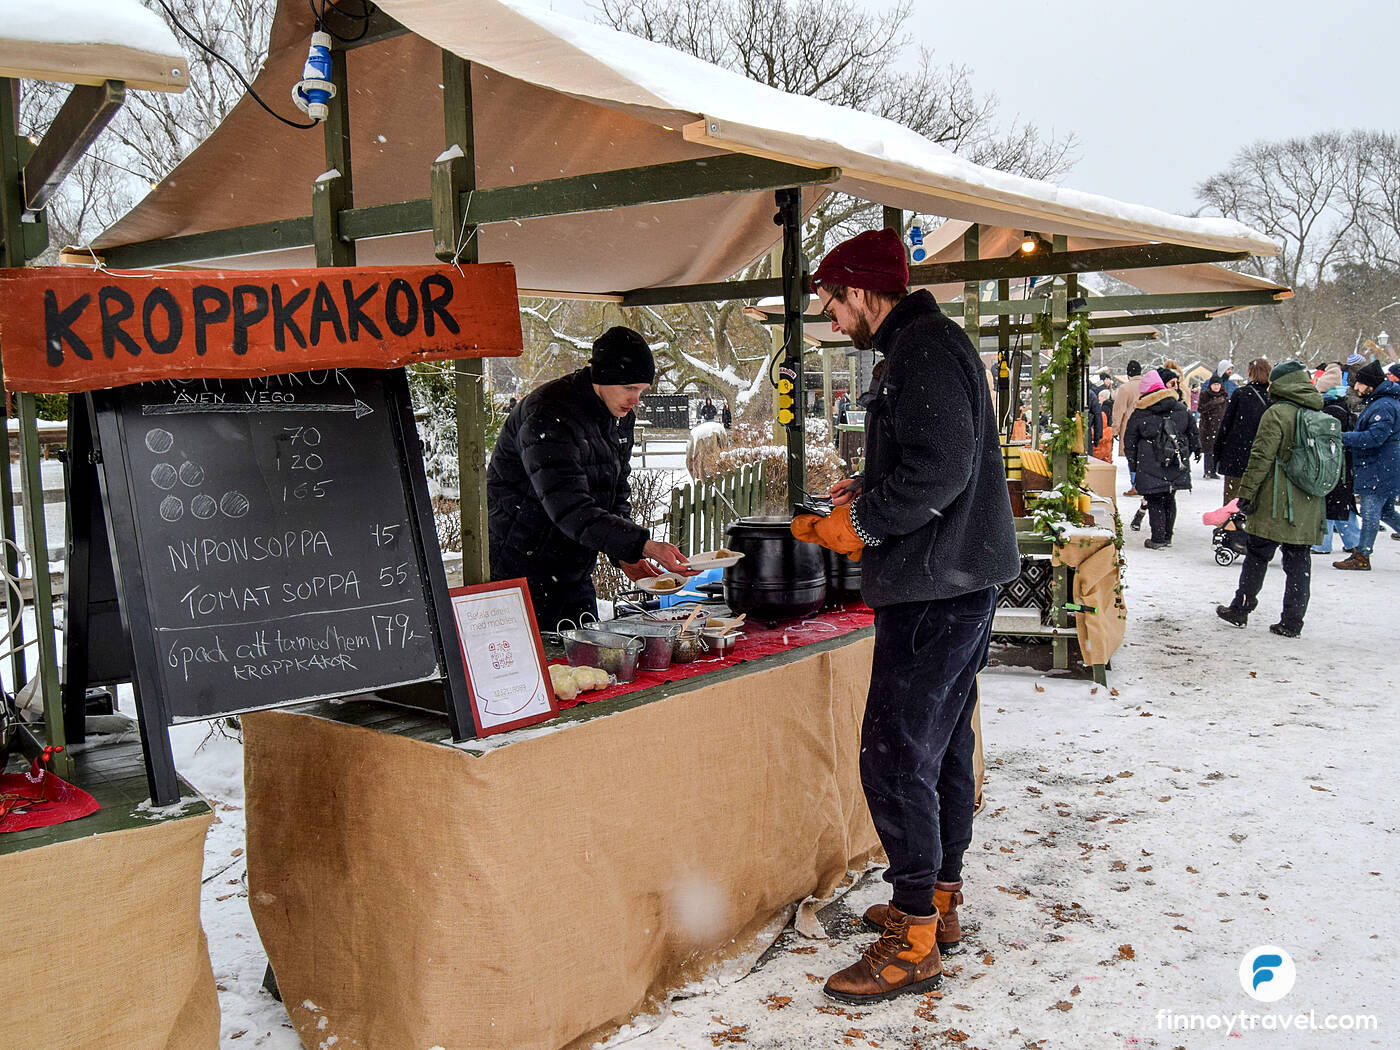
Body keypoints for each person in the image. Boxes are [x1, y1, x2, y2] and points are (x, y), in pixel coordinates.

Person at [789, 228, 1018, 1005]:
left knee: (894, 755)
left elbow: (942, 469)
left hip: (935, 587)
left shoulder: (919, 348)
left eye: (831, 300)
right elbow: (933, 459)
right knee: (944, 746)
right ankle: (938, 899)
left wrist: (863, 524)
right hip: (953, 577)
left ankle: (915, 936)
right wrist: (870, 489)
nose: (830, 317)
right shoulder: (928, 343)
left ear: (860, 290)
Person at [486, 326, 691, 629]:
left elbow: (615, 489)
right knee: (540, 669)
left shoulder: (618, 416)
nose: (635, 400)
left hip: (573, 567)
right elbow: (571, 508)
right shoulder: (548, 414)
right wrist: (643, 545)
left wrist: (623, 552)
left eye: (641, 391)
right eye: (629, 388)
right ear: (603, 378)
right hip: (521, 568)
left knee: (586, 665)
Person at [1216, 362, 1325, 636]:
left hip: (1276, 500)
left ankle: (1240, 608)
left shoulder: (1277, 413)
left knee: (1258, 553)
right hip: (1309, 500)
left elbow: (1260, 458)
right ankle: (1292, 621)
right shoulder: (1316, 411)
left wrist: (1246, 494)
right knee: (1299, 560)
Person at [1333, 360, 1400, 570]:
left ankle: (1362, 556)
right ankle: (1361, 555)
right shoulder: (1384, 402)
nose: (1356, 387)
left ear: (1370, 384)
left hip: (1379, 467)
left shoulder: (1384, 405)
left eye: (1360, 383)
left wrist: (1343, 437)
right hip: (1386, 465)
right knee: (1387, 511)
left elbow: (1375, 437)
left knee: (1371, 513)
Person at [1122, 368, 1199, 548]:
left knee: (1155, 498)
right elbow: (1193, 433)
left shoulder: (1141, 411)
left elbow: (1130, 440)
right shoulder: (1180, 407)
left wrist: (1134, 465)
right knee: (1169, 497)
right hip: (1174, 460)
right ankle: (1167, 536)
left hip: (1150, 461)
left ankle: (1157, 538)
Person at [1312, 365, 1360, 556]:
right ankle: (1353, 541)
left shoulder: (1330, 410)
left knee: (1326, 502)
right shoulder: (1343, 406)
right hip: (1343, 464)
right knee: (1342, 503)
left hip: (1332, 463)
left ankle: (1322, 543)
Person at [1213, 357, 1272, 502]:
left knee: (1233, 501)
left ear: (1250, 372)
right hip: (1264, 457)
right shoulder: (1275, 397)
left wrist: (1218, 453)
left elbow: (1226, 425)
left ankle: (1231, 523)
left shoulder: (1241, 394)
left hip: (1237, 455)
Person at [1112, 360, 1143, 493]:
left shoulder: (1125, 388)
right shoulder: (1147, 386)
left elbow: (1119, 410)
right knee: (1144, 455)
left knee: (1132, 456)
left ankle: (1135, 485)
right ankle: (1144, 484)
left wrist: (1115, 429)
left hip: (1130, 426)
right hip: (1147, 425)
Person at [1197, 375, 1230, 479]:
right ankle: (1208, 471)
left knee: (1217, 449)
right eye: (1214, 384)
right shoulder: (1205, 395)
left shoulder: (1224, 396)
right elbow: (1201, 409)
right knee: (1208, 450)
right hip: (1207, 426)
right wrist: (1213, 402)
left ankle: (1214, 470)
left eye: (1218, 384)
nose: (1216, 387)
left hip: (1220, 426)